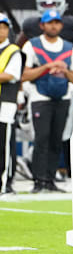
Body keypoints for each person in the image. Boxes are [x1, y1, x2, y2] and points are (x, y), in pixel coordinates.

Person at [21, 9, 73, 193]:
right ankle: (39, 181)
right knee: (41, 139)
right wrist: (47, 67)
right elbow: (24, 74)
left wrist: (64, 70)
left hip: (62, 97)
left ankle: (50, 179)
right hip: (40, 97)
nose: (53, 25)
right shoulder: (32, 45)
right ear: (42, 25)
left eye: (56, 22)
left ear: (61, 25)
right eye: (50, 22)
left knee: (56, 140)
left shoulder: (68, 47)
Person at [0, 13, 23, 194]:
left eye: (3, 27)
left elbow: (10, 75)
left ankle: (6, 182)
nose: (1, 31)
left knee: (5, 144)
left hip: (5, 103)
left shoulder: (13, 51)